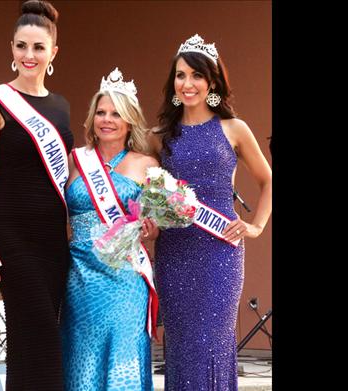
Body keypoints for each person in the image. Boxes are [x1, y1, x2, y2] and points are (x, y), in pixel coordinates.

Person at [150, 34, 272, 390]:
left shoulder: (234, 129)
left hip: (220, 253)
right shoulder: (159, 136)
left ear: (212, 81)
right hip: (174, 254)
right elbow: (125, 168)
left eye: (196, 76)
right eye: (180, 75)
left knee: (212, 345)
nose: (188, 84)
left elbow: (267, 181)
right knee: (182, 349)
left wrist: (256, 226)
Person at [0, 1, 73, 389]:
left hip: (52, 239)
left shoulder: (60, 106)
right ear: (11, 49)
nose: (29, 55)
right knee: (42, 333)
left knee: (33, 343)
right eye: (21, 46)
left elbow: (65, 177)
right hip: (11, 235)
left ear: (53, 53)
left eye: (38, 47)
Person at [61, 67, 160, 390]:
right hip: (79, 276)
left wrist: (149, 229)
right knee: (82, 358)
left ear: (129, 120)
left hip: (125, 278)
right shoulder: (75, 161)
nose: (107, 119)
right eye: (100, 112)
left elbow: (157, 227)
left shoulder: (147, 164)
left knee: (123, 358)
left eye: (116, 113)